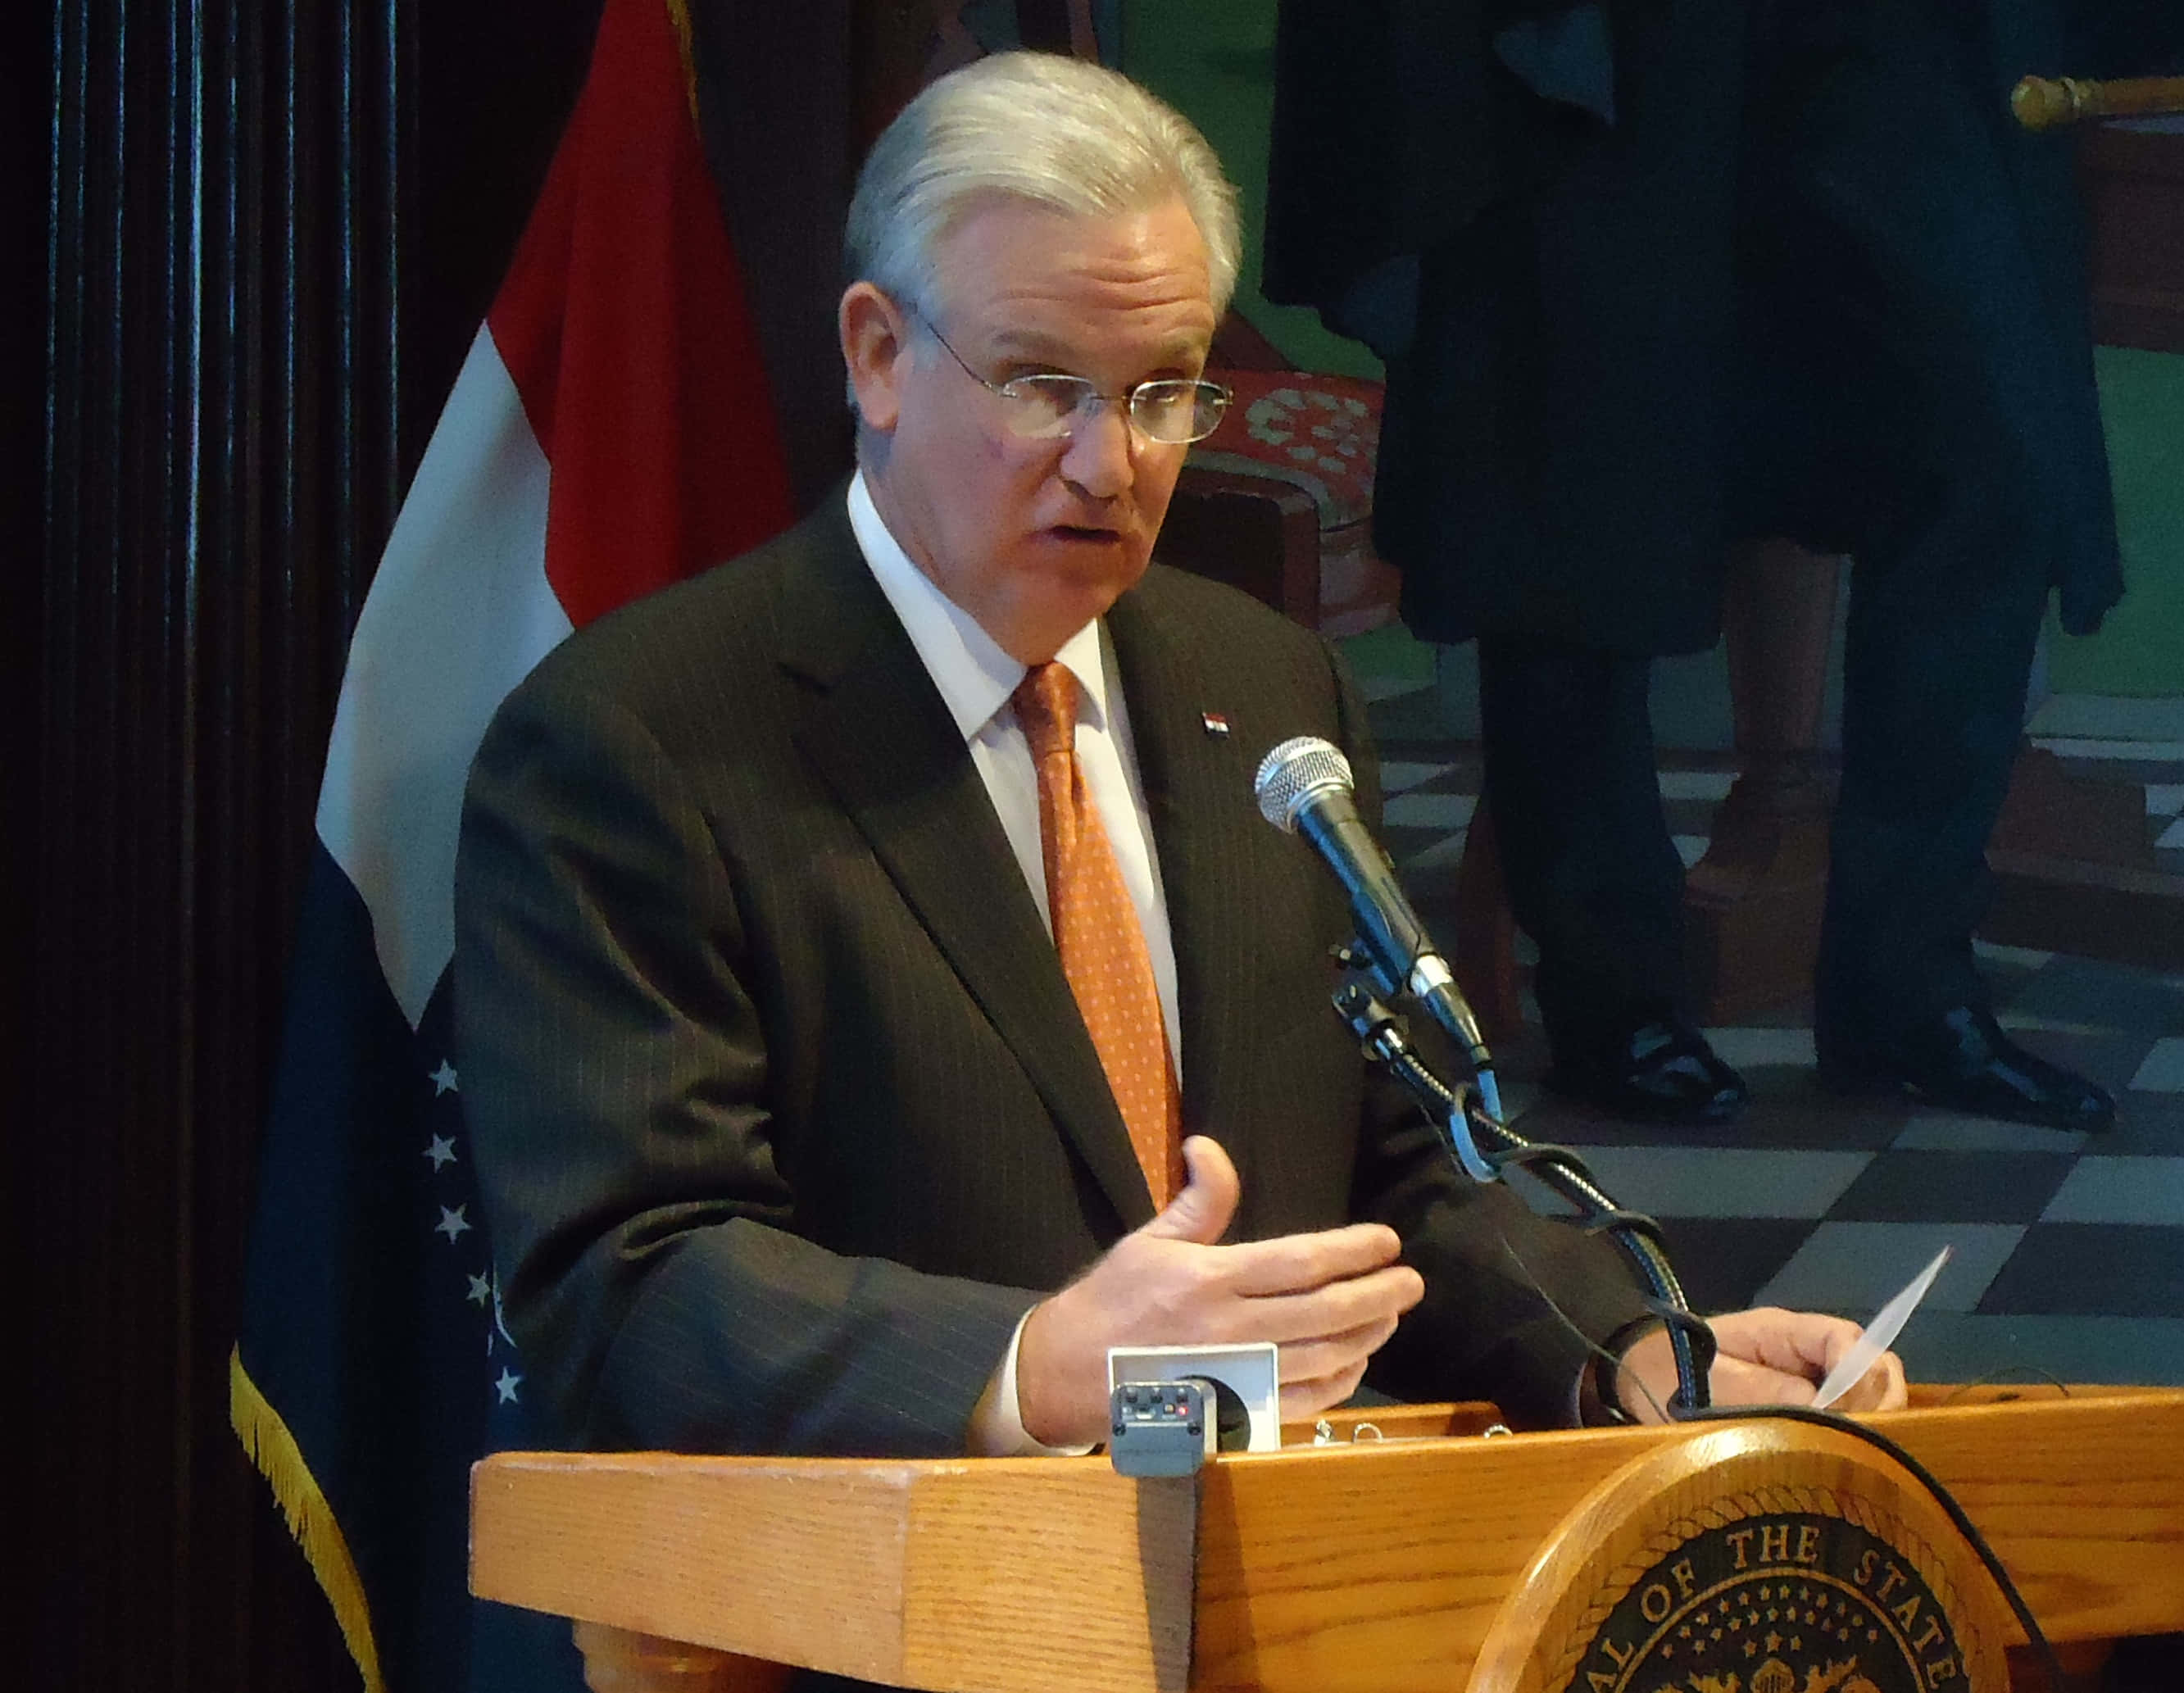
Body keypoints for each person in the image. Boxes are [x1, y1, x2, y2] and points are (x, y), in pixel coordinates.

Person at [454, 51, 1902, 1490]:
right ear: (878, 355)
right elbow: (628, 1278)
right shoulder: (640, 739)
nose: (1110, 463)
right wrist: (1032, 1363)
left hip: (1272, 1568)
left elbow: (1396, 1165)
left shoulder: (1264, 691)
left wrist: (1631, 1349)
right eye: (1044, 386)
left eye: (1162, 394)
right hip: (891, 1579)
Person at [1267, 0, 2178, 1130]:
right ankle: (1612, 999)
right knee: (1572, 492)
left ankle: (1909, 991)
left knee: (1989, 469)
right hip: (1619, 48)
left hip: (1894, 50)